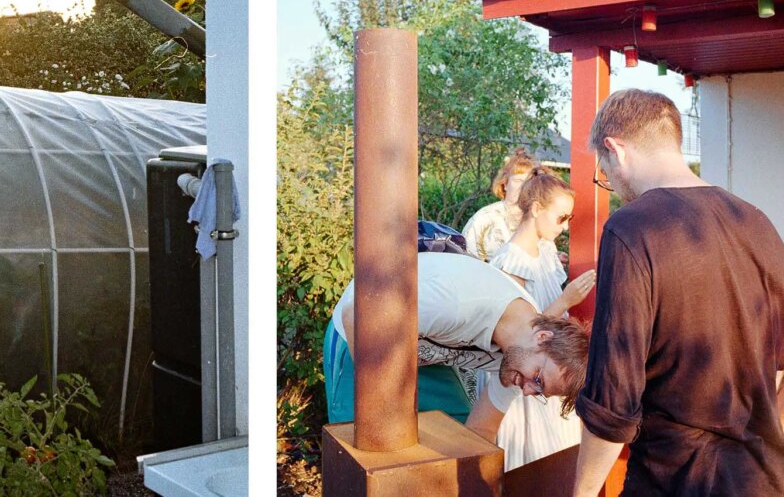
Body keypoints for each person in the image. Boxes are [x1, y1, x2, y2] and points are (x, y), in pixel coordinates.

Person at [573, 89, 784, 496]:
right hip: (762, 481)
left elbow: (612, 402)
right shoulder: (756, 221)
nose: (611, 185)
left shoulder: (632, 227)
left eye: (604, 173)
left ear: (616, 149)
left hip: (673, 479)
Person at [323, 251, 590, 443]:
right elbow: (358, 315)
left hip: (428, 350)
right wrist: (386, 407)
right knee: (365, 439)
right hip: (362, 337)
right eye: (539, 380)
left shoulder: (519, 358)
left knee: (456, 433)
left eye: (541, 391)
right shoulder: (458, 303)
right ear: (542, 337)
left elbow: (480, 431)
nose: (530, 390)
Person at [486, 166, 596, 470]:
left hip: (551, 375)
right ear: (536, 209)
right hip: (526, 382)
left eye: (568, 220)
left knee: (559, 458)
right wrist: (566, 300)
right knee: (534, 465)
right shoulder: (509, 262)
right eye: (561, 218)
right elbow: (514, 338)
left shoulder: (546, 252)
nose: (564, 227)